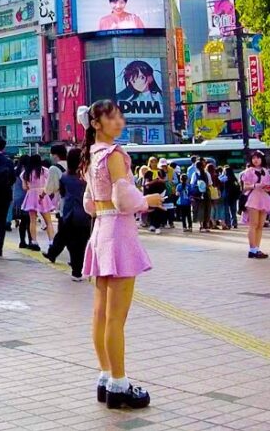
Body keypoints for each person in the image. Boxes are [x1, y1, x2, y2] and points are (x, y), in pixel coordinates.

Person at [79, 101, 157, 410]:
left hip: (100, 230)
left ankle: (105, 375)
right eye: (111, 117)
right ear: (97, 123)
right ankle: (120, 385)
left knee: (100, 313)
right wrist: (148, 200)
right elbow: (124, 200)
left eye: (119, 116)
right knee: (116, 317)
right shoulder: (113, 155)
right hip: (119, 233)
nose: (119, 121)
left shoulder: (91, 155)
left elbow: (89, 203)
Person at [44, 148, 92, 281]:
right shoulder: (86, 177)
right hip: (85, 214)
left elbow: (63, 194)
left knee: (71, 242)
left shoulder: (64, 177)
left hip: (68, 214)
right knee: (82, 243)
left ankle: (76, 270)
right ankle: (79, 268)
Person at [238, 152, 270, 259]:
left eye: (258, 158)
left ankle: (257, 248)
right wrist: (255, 185)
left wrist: (268, 187)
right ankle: (252, 249)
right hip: (252, 197)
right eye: (253, 158)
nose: (256, 160)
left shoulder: (265, 171)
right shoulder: (249, 171)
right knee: (253, 224)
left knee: (260, 225)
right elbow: (245, 186)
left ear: (262, 159)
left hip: (263, 197)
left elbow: (269, 185)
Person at [21, 154, 54, 250]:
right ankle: (51, 241)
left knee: (32, 221)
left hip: (31, 195)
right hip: (42, 194)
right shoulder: (44, 170)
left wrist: (31, 187)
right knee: (48, 221)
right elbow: (49, 183)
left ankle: (34, 241)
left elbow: (24, 187)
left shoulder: (26, 172)